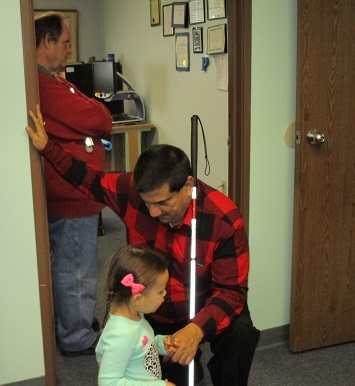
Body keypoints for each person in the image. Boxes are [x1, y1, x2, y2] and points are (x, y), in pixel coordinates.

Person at [26, 105, 260, 386]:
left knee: (242, 332)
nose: (153, 213)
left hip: (202, 306)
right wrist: (48, 147)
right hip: (154, 309)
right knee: (177, 378)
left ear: (187, 185)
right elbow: (87, 178)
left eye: (162, 203)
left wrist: (196, 330)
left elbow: (232, 292)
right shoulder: (131, 191)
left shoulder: (223, 219)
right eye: (148, 203)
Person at [34, 13, 112, 356]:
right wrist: (90, 123)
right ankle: (76, 336)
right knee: (76, 269)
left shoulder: (55, 80)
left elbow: (99, 118)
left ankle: (71, 324)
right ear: (47, 42)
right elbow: (98, 117)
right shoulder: (45, 85)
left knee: (70, 264)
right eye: (64, 42)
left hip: (76, 191)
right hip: (72, 193)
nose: (69, 49)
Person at [97, 245, 179, 386]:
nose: (165, 294)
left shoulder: (135, 315)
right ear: (138, 299)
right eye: (160, 291)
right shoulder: (121, 334)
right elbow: (109, 382)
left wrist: (160, 344)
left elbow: (140, 345)